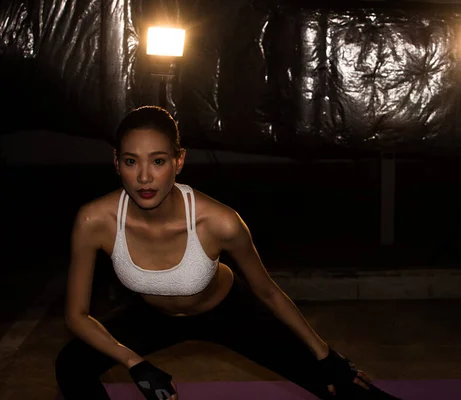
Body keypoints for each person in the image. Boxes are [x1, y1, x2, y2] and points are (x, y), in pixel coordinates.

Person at [54, 106, 401, 400]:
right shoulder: (94, 220)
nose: (144, 177)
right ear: (116, 163)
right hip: (151, 317)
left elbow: (266, 290)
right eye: (131, 161)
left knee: (336, 383)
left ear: (179, 161)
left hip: (228, 312)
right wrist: (134, 363)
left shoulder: (220, 222)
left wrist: (323, 352)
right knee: (71, 364)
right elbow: (77, 315)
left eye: (158, 161)